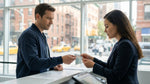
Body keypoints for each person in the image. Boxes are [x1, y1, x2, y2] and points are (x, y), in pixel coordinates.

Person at [81, 10, 144, 84]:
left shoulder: (125, 45)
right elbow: (109, 67)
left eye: (107, 26)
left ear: (117, 25)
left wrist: (93, 65)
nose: (105, 30)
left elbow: (115, 76)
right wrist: (92, 59)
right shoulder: (119, 44)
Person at [16, 3, 76, 78]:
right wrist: (61, 59)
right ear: (38, 17)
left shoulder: (42, 35)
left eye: (52, 19)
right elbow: (33, 64)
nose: (51, 22)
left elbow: (42, 60)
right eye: (48, 18)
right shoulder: (28, 35)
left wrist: (52, 66)